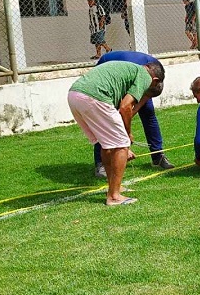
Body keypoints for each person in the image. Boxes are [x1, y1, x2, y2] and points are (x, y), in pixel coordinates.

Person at [67, 59, 165, 206]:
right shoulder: (145, 75)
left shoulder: (129, 69)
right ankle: (114, 196)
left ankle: (113, 187)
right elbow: (125, 107)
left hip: (74, 95)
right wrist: (127, 134)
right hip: (94, 97)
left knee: (106, 144)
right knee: (121, 144)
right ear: (155, 79)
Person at [92, 51, 175, 178]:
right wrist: (126, 131)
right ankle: (100, 163)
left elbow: (146, 94)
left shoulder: (156, 71)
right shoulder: (139, 74)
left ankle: (158, 156)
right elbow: (124, 106)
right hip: (108, 72)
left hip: (134, 74)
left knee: (148, 113)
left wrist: (133, 110)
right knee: (106, 120)